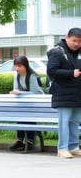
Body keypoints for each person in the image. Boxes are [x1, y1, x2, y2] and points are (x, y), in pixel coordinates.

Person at [46, 28, 81, 159]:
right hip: (63, 94)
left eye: (79, 41)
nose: (77, 43)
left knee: (75, 121)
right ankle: (62, 148)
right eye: (74, 40)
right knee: (64, 121)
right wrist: (71, 73)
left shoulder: (79, 53)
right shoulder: (57, 52)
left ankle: (73, 147)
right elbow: (51, 71)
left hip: (78, 94)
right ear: (66, 38)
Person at [9, 55, 44, 151]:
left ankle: (30, 141)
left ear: (25, 66)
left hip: (35, 103)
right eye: (15, 66)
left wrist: (21, 93)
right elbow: (16, 89)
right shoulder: (16, 75)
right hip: (24, 103)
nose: (17, 68)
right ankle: (20, 141)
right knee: (19, 118)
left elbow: (36, 93)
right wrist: (15, 92)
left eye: (19, 66)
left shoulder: (31, 76)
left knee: (29, 119)